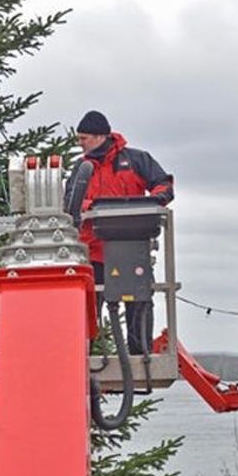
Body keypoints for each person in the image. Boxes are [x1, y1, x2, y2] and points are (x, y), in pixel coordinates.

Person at [64, 110, 174, 354]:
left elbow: (164, 185)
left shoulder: (136, 160)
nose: (80, 143)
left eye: (83, 138)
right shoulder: (82, 168)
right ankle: (80, 357)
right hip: (92, 252)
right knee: (86, 308)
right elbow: (69, 201)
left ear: (100, 136)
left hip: (132, 249)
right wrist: (91, 207)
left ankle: (140, 357)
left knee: (139, 305)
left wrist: (152, 203)